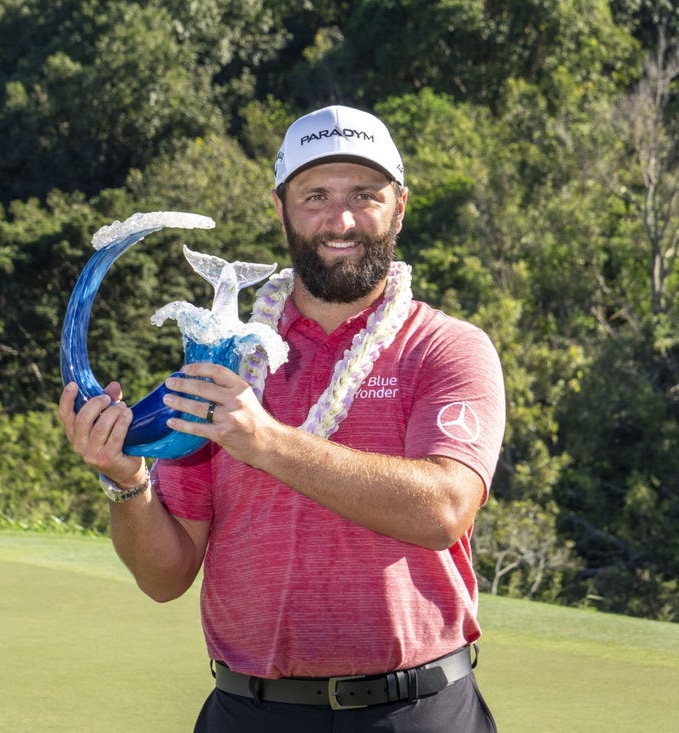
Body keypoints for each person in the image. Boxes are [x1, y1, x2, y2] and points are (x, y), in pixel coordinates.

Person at [58, 104, 506, 732]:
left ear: (400, 205)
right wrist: (126, 480)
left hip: (414, 711)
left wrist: (265, 441)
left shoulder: (446, 347)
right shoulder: (221, 360)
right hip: (248, 711)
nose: (340, 219)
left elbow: (443, 511)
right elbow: (166, 574)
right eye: (315, 194)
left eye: (365, 195)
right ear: (281, 206)